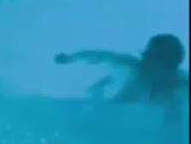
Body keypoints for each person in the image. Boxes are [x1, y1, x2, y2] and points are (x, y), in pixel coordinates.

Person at [54, 33, 188, 106]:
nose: (143, 55)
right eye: (146, 51)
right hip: (124, 108)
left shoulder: (181, 84)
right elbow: (103, 55)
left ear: (165, 64)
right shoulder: (136, 66)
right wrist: (72, 58)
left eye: (148, 54)